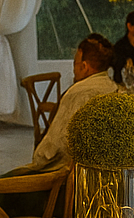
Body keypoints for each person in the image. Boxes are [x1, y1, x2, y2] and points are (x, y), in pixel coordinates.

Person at [32, 34, 116, 167]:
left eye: (75, 63)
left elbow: (52, 149)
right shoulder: (113, 88)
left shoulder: (77, 93)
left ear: (84, 66)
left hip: (67, 173)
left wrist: (37, 160)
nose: (73, 70)